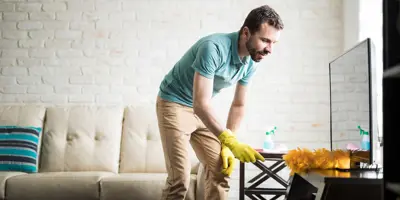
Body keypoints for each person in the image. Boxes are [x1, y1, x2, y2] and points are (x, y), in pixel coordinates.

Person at [155, 4, 284, 200]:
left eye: (274, 42)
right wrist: (230, 141)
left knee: (221, 169)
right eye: (265, 40)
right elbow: (201, 103)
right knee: (179, 180)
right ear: (246, 33)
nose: (270, 49)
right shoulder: (213, 48)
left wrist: (227, 141)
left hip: (199, 109)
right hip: (174, 103)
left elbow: (239, 105)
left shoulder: (251, 61)